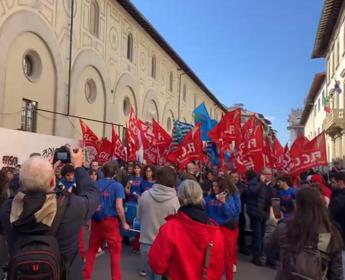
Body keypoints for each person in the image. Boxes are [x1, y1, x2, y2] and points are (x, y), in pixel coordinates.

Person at [0, 149, 99, 279]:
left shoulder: (8, 209)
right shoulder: (71, 206)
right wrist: (79, 167)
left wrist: (40, 175)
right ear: (52, 182)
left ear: (21, 182)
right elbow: (92, 195)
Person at [149, 180, 225, 280]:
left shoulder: (171, 228)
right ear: (200, 197)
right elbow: (218, 270)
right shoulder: (216, 232)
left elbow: (157, 264)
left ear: (179, 198)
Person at [265, 187, 343, 280]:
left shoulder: (286, 228)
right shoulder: (328, 234)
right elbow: (336, 272)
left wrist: (272, 223)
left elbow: (267, 247)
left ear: (298, 205)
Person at [84, 162, 129, 280]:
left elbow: (91, 204)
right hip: (111, 222)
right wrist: (124, 222)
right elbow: (119, 207)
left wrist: (89, 220)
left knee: (92, 250)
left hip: (97, 220)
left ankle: (86, 276)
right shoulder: (118, 186)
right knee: (115, 252)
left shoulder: (95, 184)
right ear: (115, 173)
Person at [137, 166, 180, 280]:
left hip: (146, 242)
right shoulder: (175, 200)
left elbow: (139, 217)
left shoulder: (145, 195)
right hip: (166, 246)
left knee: (150, 277)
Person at [205, 176, 241, 280]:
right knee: (213, 257)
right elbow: (205, 211)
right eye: (213, 186)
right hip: (212, 229)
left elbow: (232, 213)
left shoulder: (228, 198)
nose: (214, 188)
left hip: (225, 230)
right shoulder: (209, 198)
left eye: (216, 186)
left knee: (227, 257)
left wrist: (223, 202)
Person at [246, 168, 274, 266]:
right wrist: (261, 183)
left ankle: (260, 254)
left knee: (261, 235)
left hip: (264, 213)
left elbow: (272, 196)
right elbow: (251, 193)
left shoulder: (269, 184)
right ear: (262, 174)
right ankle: (256, 257)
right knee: (257, 235)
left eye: (271, 174)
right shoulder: (255, 182)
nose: (270, 176)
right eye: (268, 174)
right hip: (255, 212)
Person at [230, 170, 250, 255]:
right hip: (229, 212)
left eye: (236, 177)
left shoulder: (243, 186)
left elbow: (248, 196)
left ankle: (242, 247)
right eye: (233, 177)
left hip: (239, 212)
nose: (235, 179)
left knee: (241, 230)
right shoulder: (227, 186)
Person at [329, 172, 345, 276]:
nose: (331, 184)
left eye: (334, 182)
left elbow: (329, 217)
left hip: (341, 237)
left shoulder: (338, 199)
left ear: (341, 182)